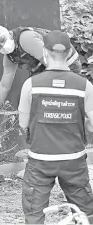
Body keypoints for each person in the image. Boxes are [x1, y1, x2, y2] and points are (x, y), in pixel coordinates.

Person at [17, 30, 93, 224]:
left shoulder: (31, 84)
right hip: (74, 161)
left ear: (44, 52)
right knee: (85, 214)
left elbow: (23, 124)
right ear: (69, 53)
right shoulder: (84, 86)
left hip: (40, 161)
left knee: (34, 213)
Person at [0, 24, 82, 131]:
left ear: (6, 32)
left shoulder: (25, 39)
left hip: (67, 64)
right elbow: (4, 86)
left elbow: (53, 65)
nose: (3, 45)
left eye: (2, 40)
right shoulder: (10, 57)